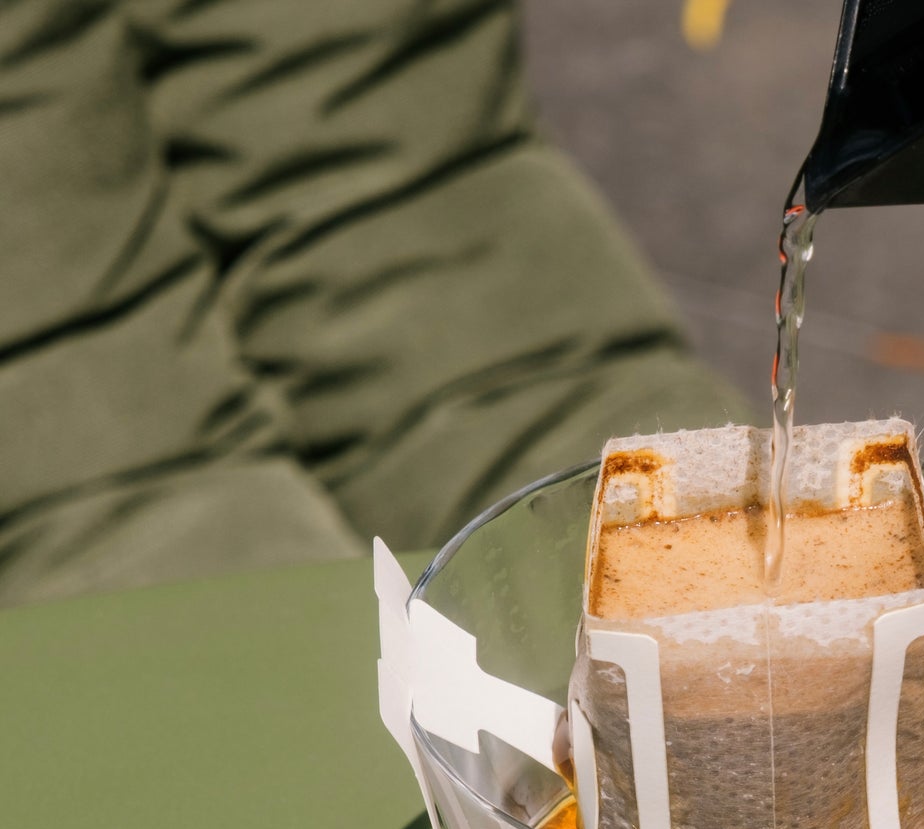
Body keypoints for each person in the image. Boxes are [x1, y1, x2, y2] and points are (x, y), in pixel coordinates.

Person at [0, 0, 742, 607]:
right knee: (308, 733)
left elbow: (381, 166)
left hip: (451, 253)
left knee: (761, 616)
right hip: (61, 418)